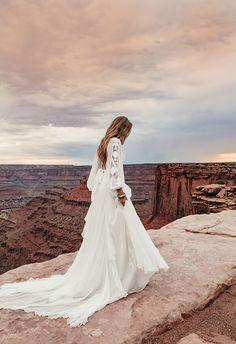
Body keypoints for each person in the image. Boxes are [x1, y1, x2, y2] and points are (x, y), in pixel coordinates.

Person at [0, 115, 169, 327]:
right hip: (112, 194)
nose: (128, 136)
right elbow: (115, 169)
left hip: (103, 194)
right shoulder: (115, 142)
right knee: (117, 231)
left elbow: (98, 172)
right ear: (123, 129)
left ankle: (114, 271)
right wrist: (119, 191)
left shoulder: (104, 142)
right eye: (128, 132)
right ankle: (119, 275)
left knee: (110, 232)